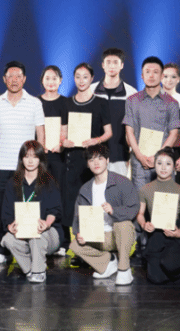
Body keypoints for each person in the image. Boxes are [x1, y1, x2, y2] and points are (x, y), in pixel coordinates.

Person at [124, 56, 180, 259]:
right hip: (139, 161)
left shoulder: (171, 102)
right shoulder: (132, 101)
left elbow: (174, 133)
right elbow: (129, 131)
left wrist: (159, 157)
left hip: (163, 162)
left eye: (156, 72)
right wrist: (140, 155)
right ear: (142, 75)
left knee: (163, 202)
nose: (151, 75)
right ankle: (141, 247)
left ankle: (163, 246)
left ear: (161, 75)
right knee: (140, 202)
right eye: (147, 71)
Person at [0, 62, 45, 249]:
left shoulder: (34, 103)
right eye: (10, 76)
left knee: (26, 205)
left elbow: (41, 134)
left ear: (24, 79)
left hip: (27, 166)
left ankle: (27, 246)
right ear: (4, 79)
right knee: (3, 206)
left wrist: (40, 162)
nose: (14, 80)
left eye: (18, 76)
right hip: (2, 165)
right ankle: (4, 247)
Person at [62, 63, 112, 254]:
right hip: (72, 159)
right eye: (77, 76)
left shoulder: (101, 103)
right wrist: (65, 141)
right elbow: (63, 133)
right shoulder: (67, 103)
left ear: (92, 79)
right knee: (72, 201)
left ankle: (91, 246)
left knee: (91, 201)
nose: (81, 80)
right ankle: (73, 245)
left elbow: (108, 132)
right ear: (73, 79)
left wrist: (95, 140)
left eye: (85, 77)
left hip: (93, 160)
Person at [72, 143, 137, 285]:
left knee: (123, 225)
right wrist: (79, 233)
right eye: (91, 160)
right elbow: (79, 216)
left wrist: (114, 211)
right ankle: (109, 262)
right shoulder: (85, 189)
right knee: (75, 245)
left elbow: (133, 208)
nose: (96, 163)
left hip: (118, 235)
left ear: (107, 160)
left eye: (100, 158)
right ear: (87, 164)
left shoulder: (122, 182)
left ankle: (124, 269)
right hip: (97, 237)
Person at [0, 141, 63, 283]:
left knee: (37, 236)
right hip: (23, 234)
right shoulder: (12, 183)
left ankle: (39, 271)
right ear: (21, 158)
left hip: (48, 233)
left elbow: (55, 209)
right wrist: (10, 226)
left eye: (34, 157)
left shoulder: (49, 181)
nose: (30, 161)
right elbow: (7, 213)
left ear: (40, 159)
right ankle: (29, 269)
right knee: (7, 239)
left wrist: (47, 224)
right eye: (27, 156)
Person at [137, 147, 180, 284]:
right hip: (156, 234)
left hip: (174, 235)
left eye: (168, 163)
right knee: (155, 278)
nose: (163, 167)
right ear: (154, 165)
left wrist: (179, 233)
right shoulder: (145, 189)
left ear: (174, 167)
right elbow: (140, 214)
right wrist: (144, 224)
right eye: (159, 163)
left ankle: (177, 267)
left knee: (169, 265)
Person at [89, 48, 138, 178]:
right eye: (108, 62)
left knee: (118, 190)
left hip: (120, 157)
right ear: (102, 65)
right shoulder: (91, 90)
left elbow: (135, 126)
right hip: (94, 156)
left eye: (116, 62)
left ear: (122, 65)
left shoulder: (131, 93)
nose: (112, 66)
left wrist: (132, 152)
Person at [38, 65, 68, 252]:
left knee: (59, 195)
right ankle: (38, 234)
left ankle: (63, 241)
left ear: (60, 80)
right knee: (40, 194)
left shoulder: (65, 102)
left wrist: (61, 144)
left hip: (58, 156)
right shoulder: (35, 102)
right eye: (47, 78)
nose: (51, 82)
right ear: (42, 80)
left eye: (54, 78)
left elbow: (66, 128)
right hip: (39, 158)